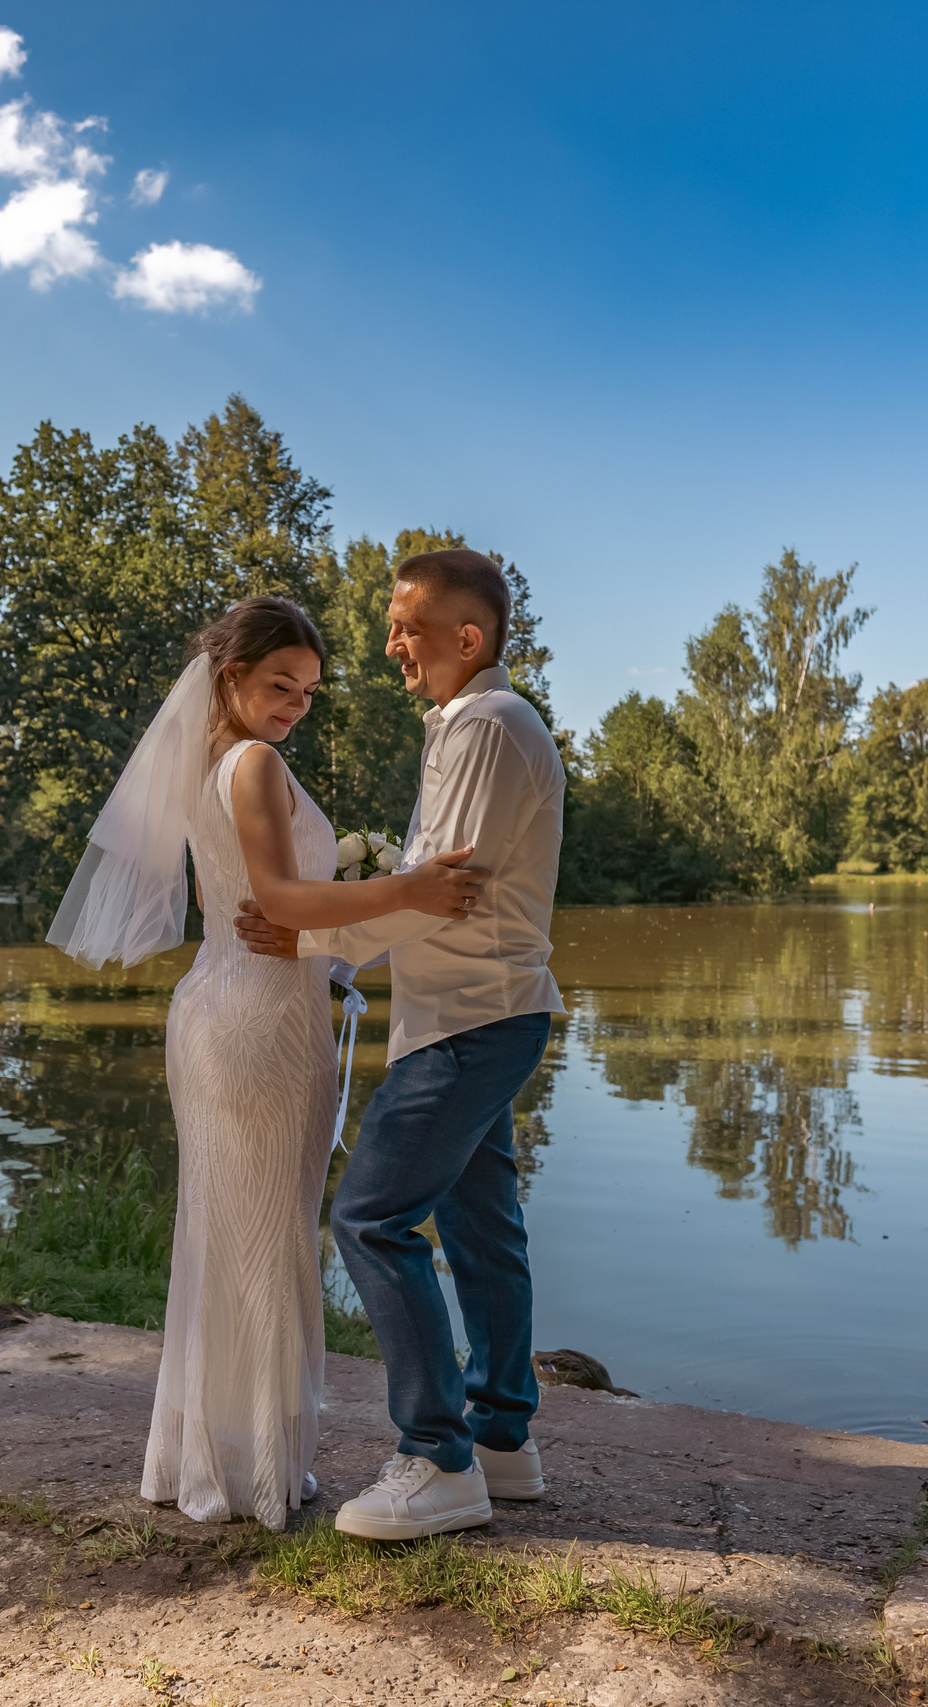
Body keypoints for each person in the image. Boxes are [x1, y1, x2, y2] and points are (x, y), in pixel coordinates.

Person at [45, 596, 485, 1531]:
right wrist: (409, 886)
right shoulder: (254, 763)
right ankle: (249, 1471)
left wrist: (345, 904)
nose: (295, 704)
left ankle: (212, 1459)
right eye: (280, 684)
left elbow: (264, 902)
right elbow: (283, 900)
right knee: (265, 1238)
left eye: (310, 691)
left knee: (227, 1233)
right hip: (259, 1021)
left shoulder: (214, 761)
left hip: (223, 1001)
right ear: (231, 674)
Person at [235, 550, 566, 1540]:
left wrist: (308, 937)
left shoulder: (484, 727)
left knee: (372, 1221)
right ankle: (502, 1441)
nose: (390, 646)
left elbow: (439, 894)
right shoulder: (477, 726)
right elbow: (429, 886)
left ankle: (437, 1457)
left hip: (467, 1019)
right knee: (479, 1232)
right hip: (483, 1010)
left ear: (469, 638)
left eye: (406, 627)